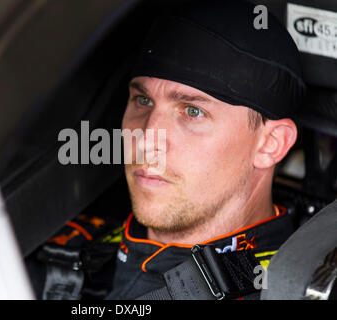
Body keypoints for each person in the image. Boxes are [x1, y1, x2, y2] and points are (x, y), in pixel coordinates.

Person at [26, 0, 306, 300]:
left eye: (192, 112)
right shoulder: (54, 250)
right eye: (143, 101)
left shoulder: (293, 288)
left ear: (270, 144)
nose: (147, 141)